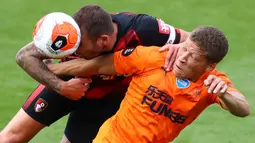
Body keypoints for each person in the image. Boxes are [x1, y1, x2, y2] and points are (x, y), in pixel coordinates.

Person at [0, 4, 190, 143]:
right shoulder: (69, 34)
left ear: (103, 41)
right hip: (66, 82)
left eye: (79, 46)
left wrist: (180, 47)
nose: (72, 49)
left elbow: (192, 40)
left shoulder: (143, 29)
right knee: (10, 137)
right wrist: (61, 86)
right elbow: (25, 56)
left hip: (107, 98)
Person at [48, 26, 250, 143]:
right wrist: (54, 69)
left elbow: (243, 109)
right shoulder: (154, 57)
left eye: (192, 56)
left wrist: (225, 94)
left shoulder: (213, 83)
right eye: (184, 49)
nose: (182, 57)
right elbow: (98, 66)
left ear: (209, 66)